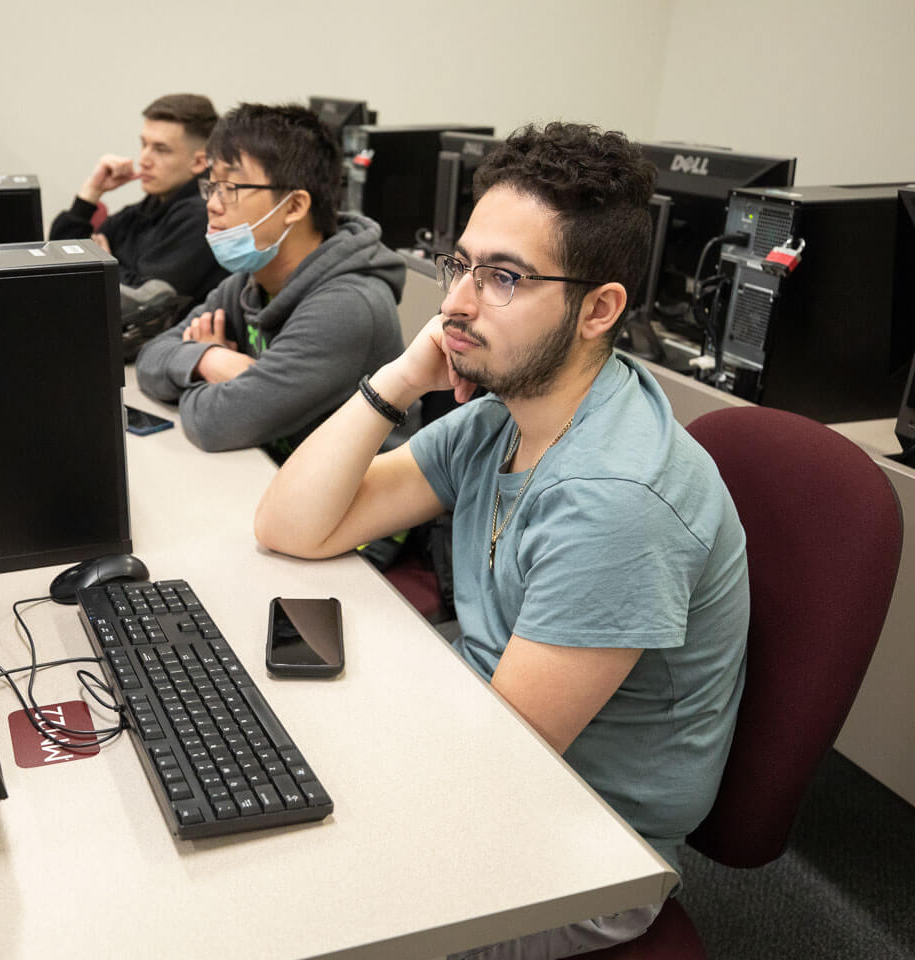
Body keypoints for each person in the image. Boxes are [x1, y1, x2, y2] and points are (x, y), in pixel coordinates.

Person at [254, 122, 749, 958]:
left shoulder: (614, 501)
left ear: (599, 310)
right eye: (461, 265)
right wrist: (401, 378)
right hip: (482, 742)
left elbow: (499, 769)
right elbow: (290, 526)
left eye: (504, 278)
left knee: (277, 912)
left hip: (580, 847)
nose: (455, 301)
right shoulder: (502, 417)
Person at [134, 103, 405, 463]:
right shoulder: (249, 283)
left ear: (294, 206)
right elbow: (150, 358)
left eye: (230, 186)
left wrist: (193, 375)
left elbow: (214, 423)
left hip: (357, 498)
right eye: (211, 186)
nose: (213, 204)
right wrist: (210, 360)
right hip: (271, 477)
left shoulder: (347, 305)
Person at [49, 93, 226, 300]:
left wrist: (105, 264)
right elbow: (61, 259)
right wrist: (91, 192)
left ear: (199, 162)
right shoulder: (152, 204)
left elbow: (151, 301)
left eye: (160, 149)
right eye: (144, 144)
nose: (143, 160)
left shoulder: (203, 214)